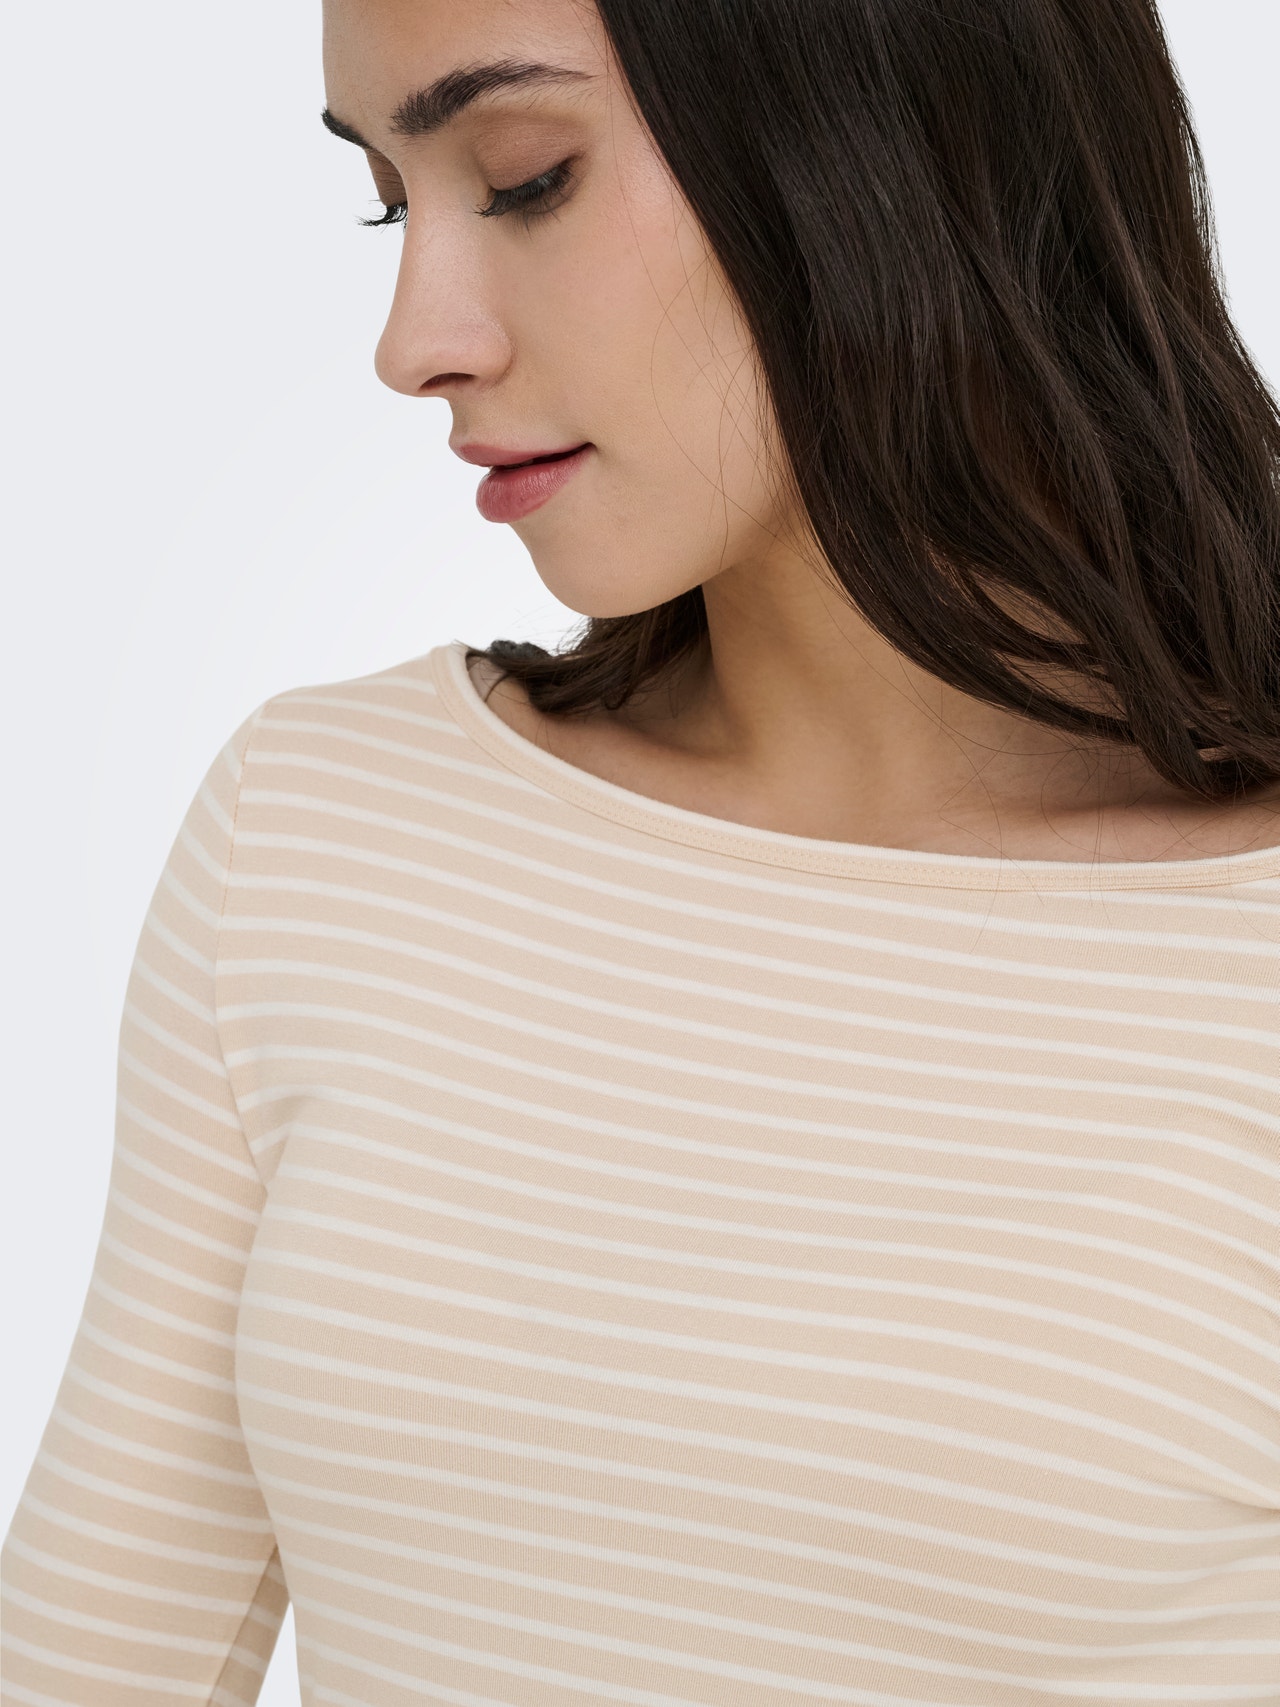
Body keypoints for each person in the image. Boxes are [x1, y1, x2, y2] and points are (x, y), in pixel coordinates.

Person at [4, 0, 1279, 1700]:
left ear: (910, 129)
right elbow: (94, 1664)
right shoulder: (322, 832)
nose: (416, 341)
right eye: (391, 203)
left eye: (526, 176)